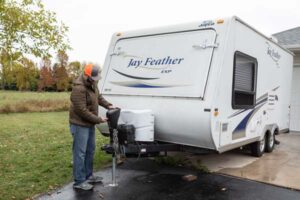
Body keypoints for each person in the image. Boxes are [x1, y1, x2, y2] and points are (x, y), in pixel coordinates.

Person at [69, 64, 116, 190]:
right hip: (79, 124)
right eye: (95, 78)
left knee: (90, 150)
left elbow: (98, 97)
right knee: (80, 153)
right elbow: (81, 111)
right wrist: (98, 119)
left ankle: (89, 176)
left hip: (89, 124)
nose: (97, 80)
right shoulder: (79, 89)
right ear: (88, 76)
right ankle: (79, 181)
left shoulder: (92, 84)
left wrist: (108, 105)